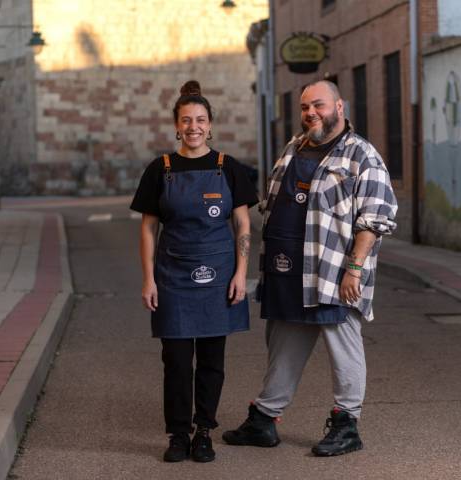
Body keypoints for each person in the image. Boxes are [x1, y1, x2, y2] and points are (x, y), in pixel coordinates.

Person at [222, 80, 397, 457]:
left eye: (318, 105)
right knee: (283, 345)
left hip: (332, 273)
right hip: (287, 271)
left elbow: (375, 218)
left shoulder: (361, 156)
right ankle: (264, 420)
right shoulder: (293, 148)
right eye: (304, 107)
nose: (310, 113)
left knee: (342, 346)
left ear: (340, 106)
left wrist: (354, 268)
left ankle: (347, 424)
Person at [130, 80, 258, 463]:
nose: (193, 127)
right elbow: (148, 228)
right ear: (176, 126)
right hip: (172, 278)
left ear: (211, 125)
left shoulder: (229, 168)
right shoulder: (160, 169)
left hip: (219, 277)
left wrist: (240, 274)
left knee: (212, 361)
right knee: (177, 360)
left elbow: (243, 226)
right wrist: (148, 278)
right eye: (186, 120)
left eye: (200, 120)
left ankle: (204, 430)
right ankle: (178, 434)